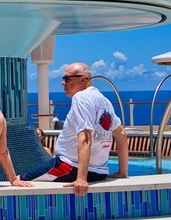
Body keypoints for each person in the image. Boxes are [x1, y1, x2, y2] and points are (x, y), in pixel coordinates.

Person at [17, 63, 128, 195]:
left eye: (67, 79)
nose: (63, 83)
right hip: (100, 172)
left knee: (18, 181)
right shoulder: (104, 101)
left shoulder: (80, 98)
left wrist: (81, 178)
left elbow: (85, 138)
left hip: (69, 167)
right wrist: (122, 172)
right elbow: (122, 134)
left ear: (83, 79)